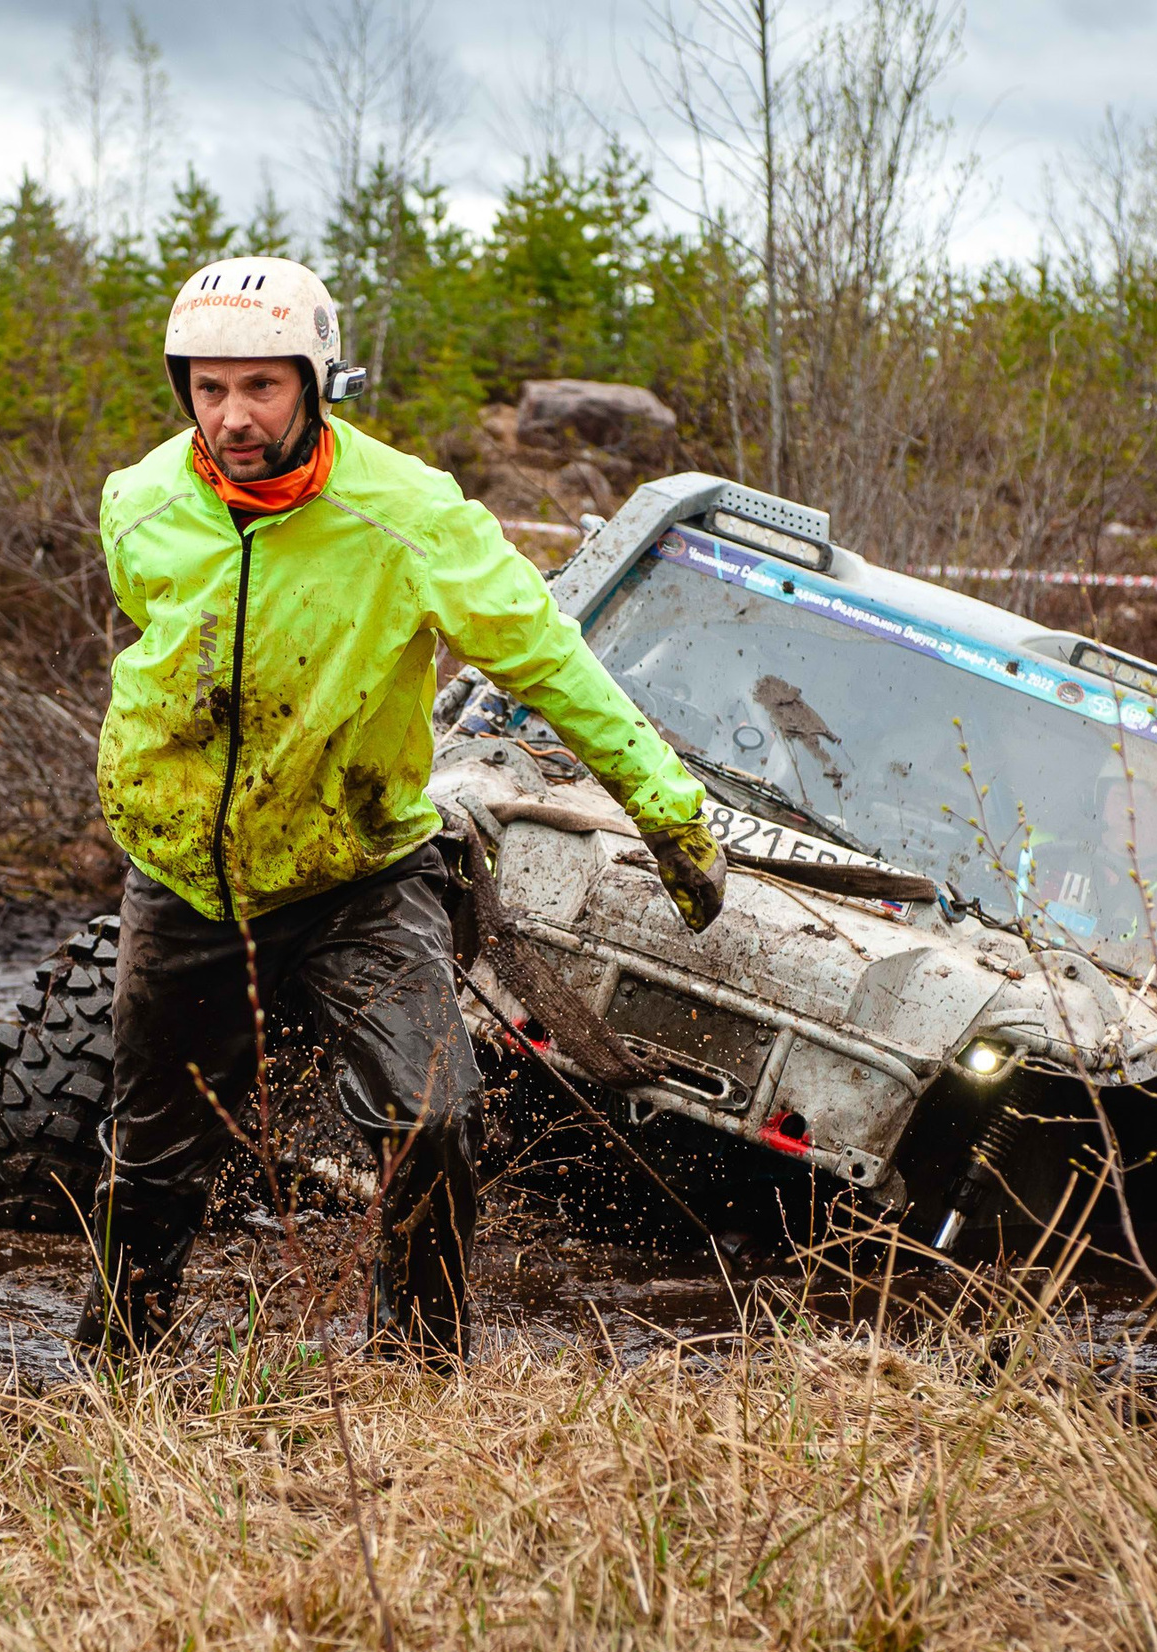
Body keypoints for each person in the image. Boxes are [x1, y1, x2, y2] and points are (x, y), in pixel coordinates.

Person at [82, 254, 726, 1361]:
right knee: (150, 1159)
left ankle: (417, 1363)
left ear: (317, 381)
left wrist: (667, 811)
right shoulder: (139, 506)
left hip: (361, 874)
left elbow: (549, 661)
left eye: (262, 387)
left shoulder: (414, 514)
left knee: (434, 1116)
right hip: (188, 881)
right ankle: (117, 1365)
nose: (233, 418)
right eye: (210, 388)